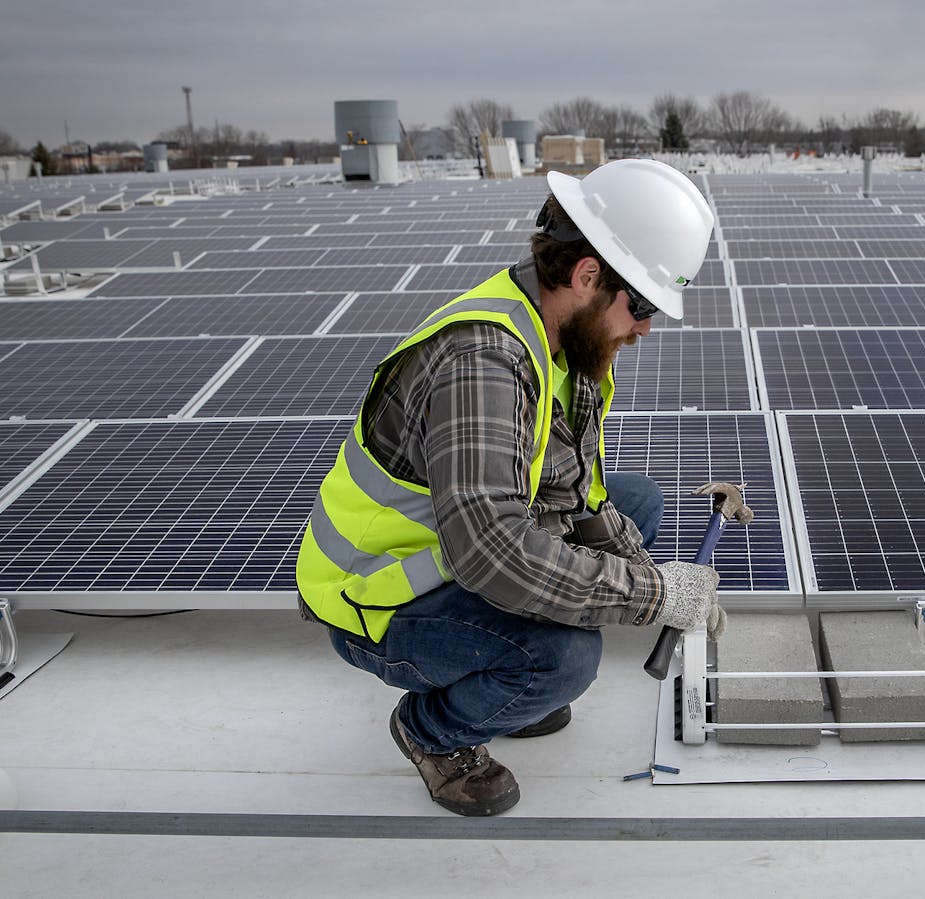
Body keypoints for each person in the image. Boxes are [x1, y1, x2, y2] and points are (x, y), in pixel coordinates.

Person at [295, 158, 726, 817]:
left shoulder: (562, 343)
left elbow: (573, 492)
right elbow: (491, 550)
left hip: (448, 549)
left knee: (637, 503)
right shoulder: (484, 363)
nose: (643, 328)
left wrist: (646, 574)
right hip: (375, 594)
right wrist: (653, 595)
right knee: (566, 656)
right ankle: (432, 732)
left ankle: (502, 684)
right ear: (587, 276)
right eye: (639, 304)